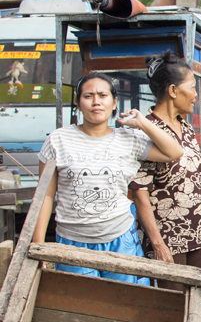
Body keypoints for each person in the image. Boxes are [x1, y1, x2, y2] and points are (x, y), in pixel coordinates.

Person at [33, 72, 183, 283]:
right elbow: (45, 196)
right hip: (72, 241)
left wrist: (142, 123)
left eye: (102, 95)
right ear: (78, 104)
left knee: (128, 303)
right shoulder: (58, 139)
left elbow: (174, 152)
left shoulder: (128, 138)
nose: (96, 102)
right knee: (80, 308)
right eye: (88, 96)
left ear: (114, 103)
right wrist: (38, 245)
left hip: (120, 238)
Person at [130, 52, 201, 322]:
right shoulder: (149, 130)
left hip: (197, 230)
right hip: (167, 235)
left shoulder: (186, 124)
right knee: (173, 306)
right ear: (171, 90)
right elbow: (139, 191)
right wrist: (157, 242)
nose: (195, 93)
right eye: (191, 87)